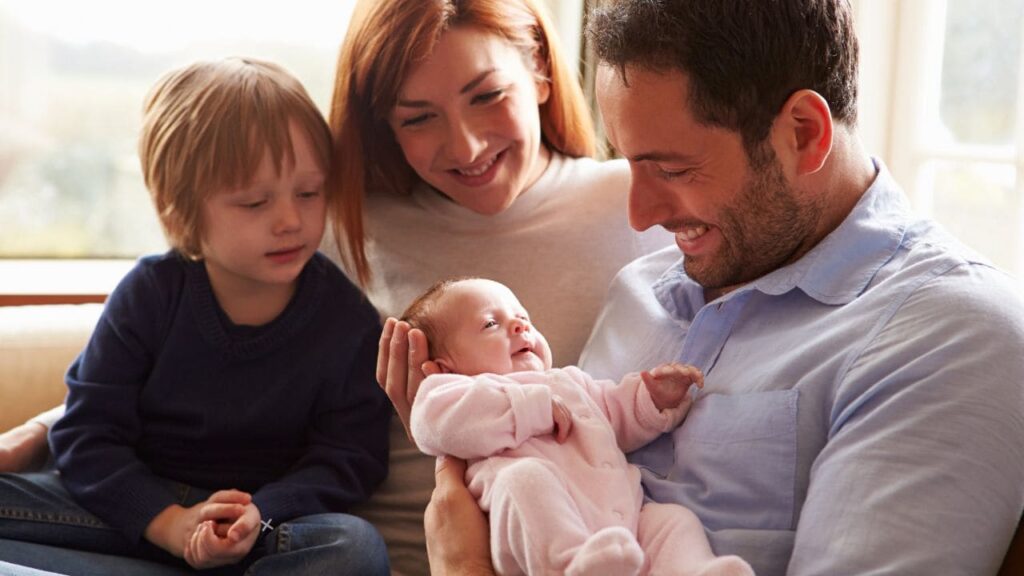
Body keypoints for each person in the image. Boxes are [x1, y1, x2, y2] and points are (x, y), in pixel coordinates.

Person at [410, 0, 1024, 575]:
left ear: (805, 133)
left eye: (673, 169)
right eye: (629, 164)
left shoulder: (950, 336)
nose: (640, 215)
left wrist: (465, 567)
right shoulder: (640, 289)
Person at [0, 57, 392, 575]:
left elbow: (350, 455)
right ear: (178, 212)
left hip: (262, 531)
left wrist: (261, 512)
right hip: (135, 516)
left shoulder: (346, 318)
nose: (290, 220)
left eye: (308, 193)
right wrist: (168, 525)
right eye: (254, 203)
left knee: (353, 548)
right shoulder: (150, 294)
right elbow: (87, 432)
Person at [403, 277, 753, 576]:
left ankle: (692, 570)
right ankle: (567, 564)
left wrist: (653, 399)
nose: (519, 326)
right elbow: (431, 424)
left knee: (673, 521)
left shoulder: (571, 382)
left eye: (523, 318)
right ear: (445, 368)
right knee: (525, 479)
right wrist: (530, 407)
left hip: (624, 519)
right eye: (490, 324)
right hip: (530, 528)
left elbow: (616, 412)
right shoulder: (451, 391)